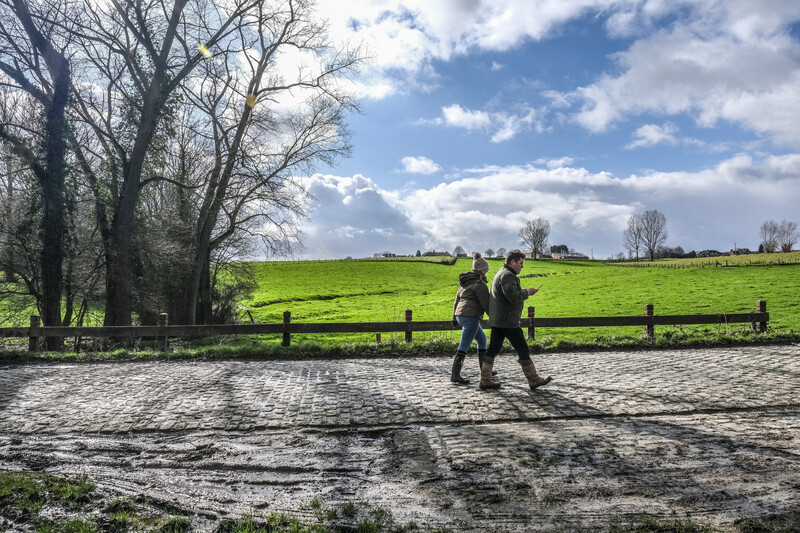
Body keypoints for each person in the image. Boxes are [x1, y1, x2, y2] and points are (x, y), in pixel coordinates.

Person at [479, 249, 552, 390]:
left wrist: (523, 291)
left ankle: (485, 379)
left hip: (499, 320)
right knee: (522, 348)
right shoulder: (507, 275)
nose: (522, 266)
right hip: (508, 321)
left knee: (493, 349)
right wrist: (527, 292)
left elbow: (509, 293)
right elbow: (512, 296)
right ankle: (533, 379)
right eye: (521, 263)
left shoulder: (502, 273)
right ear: (513, 262)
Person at [450, 252, 491, 384]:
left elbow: (456, 300)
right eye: (486, 269)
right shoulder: (479, 283)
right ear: (482, 270)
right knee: (464, 345)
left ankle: (484, 370)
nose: (487, 271)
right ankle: (455, 375)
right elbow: (486, 303)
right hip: (470, 316)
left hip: (460, 315)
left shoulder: (465, 281)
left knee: (482, 340)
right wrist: (494, 318)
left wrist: (454, 317)